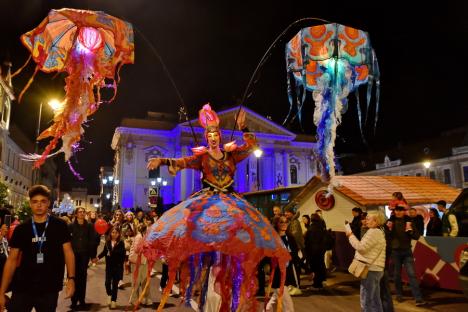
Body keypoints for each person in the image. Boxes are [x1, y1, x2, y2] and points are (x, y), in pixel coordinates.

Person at [142, 104, 290, 310]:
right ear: (206, 137)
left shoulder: (232, 155)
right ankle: (207, 280)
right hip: (209, 201)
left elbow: (251, 147)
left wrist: (244, 127)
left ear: (220, 136)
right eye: (209, 134)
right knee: (204, 240)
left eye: (215, 134)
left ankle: (232, 286)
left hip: (231, 202)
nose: (212, 137)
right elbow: (183, 161)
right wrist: (162, 160)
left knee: (236, 243)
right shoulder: (202, 157)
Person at [0, 185, 75, 312]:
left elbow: (68, 252)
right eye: (35, 202)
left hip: (49, 287)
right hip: (23, 285)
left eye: (43, 201)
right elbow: (12, 260)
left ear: (48, 203)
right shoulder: (21, 229)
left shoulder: (60, 225)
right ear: (30, 204)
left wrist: (71, 279)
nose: (39, 205)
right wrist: (1, 292)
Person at [345, 211, 386, 312]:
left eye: (368, 218)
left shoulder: (373, 232)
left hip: (370, 269)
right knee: (375, 299)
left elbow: (361, 247)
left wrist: (350, 235)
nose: (365, 220)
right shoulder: (379, 231)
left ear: (376, 221)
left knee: (366, 299)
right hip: (376, 269)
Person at [387, 206, 426, 306]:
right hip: (395, 252)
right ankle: (399, 294)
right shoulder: (390, 222)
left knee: (412, 274)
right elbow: (385, 234)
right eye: (397, 210)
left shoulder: (409, 222)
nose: (399, 212)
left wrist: (411, 231)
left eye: (401, 210)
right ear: (394, 211)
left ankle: (418, 298)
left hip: (407, 251)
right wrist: (388, 230)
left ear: (404, 212)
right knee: (396, 275)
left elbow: (417, 236)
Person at [68, 207, 98, 309]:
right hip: (73, 256)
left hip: (84, 255)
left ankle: (82, 300)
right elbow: (67, 242)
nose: (81, 213)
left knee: (82, 278)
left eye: (83, 212)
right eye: (79, 212)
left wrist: (93, 256)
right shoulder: (71, 226)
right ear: (76, 214)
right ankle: (73, 301)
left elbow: (92, 242)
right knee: (73, 277)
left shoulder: (89, 226)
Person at [265, 216, 295, 312]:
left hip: (287, 273)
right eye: (281, 222)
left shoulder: (290, 238)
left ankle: (266, 310)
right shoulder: (272, 239)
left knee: (275, 298)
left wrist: (308, 269)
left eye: (286, 222)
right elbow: (266, 255)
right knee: (288, 304)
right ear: (276, 224)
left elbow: (295, 256)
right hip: (278, 274)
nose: (284, 224)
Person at [95, 226, 126, 309]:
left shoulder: (121, 243)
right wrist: (97, 258)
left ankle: (113, 301)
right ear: (110, 233)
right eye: (112, 232)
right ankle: (109, 294)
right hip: (109, 267)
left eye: (116, 233)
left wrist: (112, 252)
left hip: (117, 267)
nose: (114, 234)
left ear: (119, 234)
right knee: (107, 283)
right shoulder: (108, 242)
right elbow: (104, 252)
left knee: (115, 285)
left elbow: (122, 254)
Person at [129, 224, 151, 306]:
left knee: (145, 281)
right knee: (136, 281)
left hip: (144, 261)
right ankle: (134, 299)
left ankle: (145, 298)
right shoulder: (139, 237)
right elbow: (137, 249)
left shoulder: (145, 237)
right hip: (138, 262)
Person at [304, 213, 327, 289]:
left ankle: (316, 284)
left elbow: (308, 241)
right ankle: (319, 282)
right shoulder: (321, 227)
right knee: (320, 266)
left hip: (313, 251)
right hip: (321, 250)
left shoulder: (311, 228)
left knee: (315, 267)